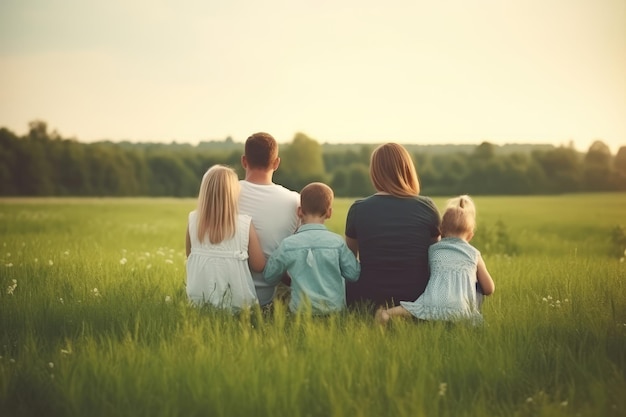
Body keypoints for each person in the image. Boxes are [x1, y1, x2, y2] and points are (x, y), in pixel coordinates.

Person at [345, 143, 441, 310]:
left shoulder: (358, 209)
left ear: (375, 173)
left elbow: (349, 263)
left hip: (368, 300)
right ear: (408, 169)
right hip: (418, 299)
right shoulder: (427, 207)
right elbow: (435, 258)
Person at [375, 195, 495, 325]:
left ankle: (387, 313)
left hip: (431, 305)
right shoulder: (474, 254)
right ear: (470, 235)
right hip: (461, 310)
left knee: (411, 308)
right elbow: (489, 289)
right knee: (478, 290)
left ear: (440, 231)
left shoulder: (433, 250)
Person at [263, 182, 360, 314]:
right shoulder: (337, 243)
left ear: (299, 211)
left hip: (300, 313)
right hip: (334, 312)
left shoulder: (288, 245)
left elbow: (269, 276)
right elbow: (354, 274)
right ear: (329, 213)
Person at [185, 165, 266, 310]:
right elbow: (259, 265)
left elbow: (189, 255)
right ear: (234, 194)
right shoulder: (244, 224)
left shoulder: (193, 220)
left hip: (198, 303)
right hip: (238, 306)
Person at [238, 132, 300, 307]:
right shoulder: (295, 201)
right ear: (276, 163)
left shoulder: (225, 195)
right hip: (268, 297)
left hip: (224, 293)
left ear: (244, 161)